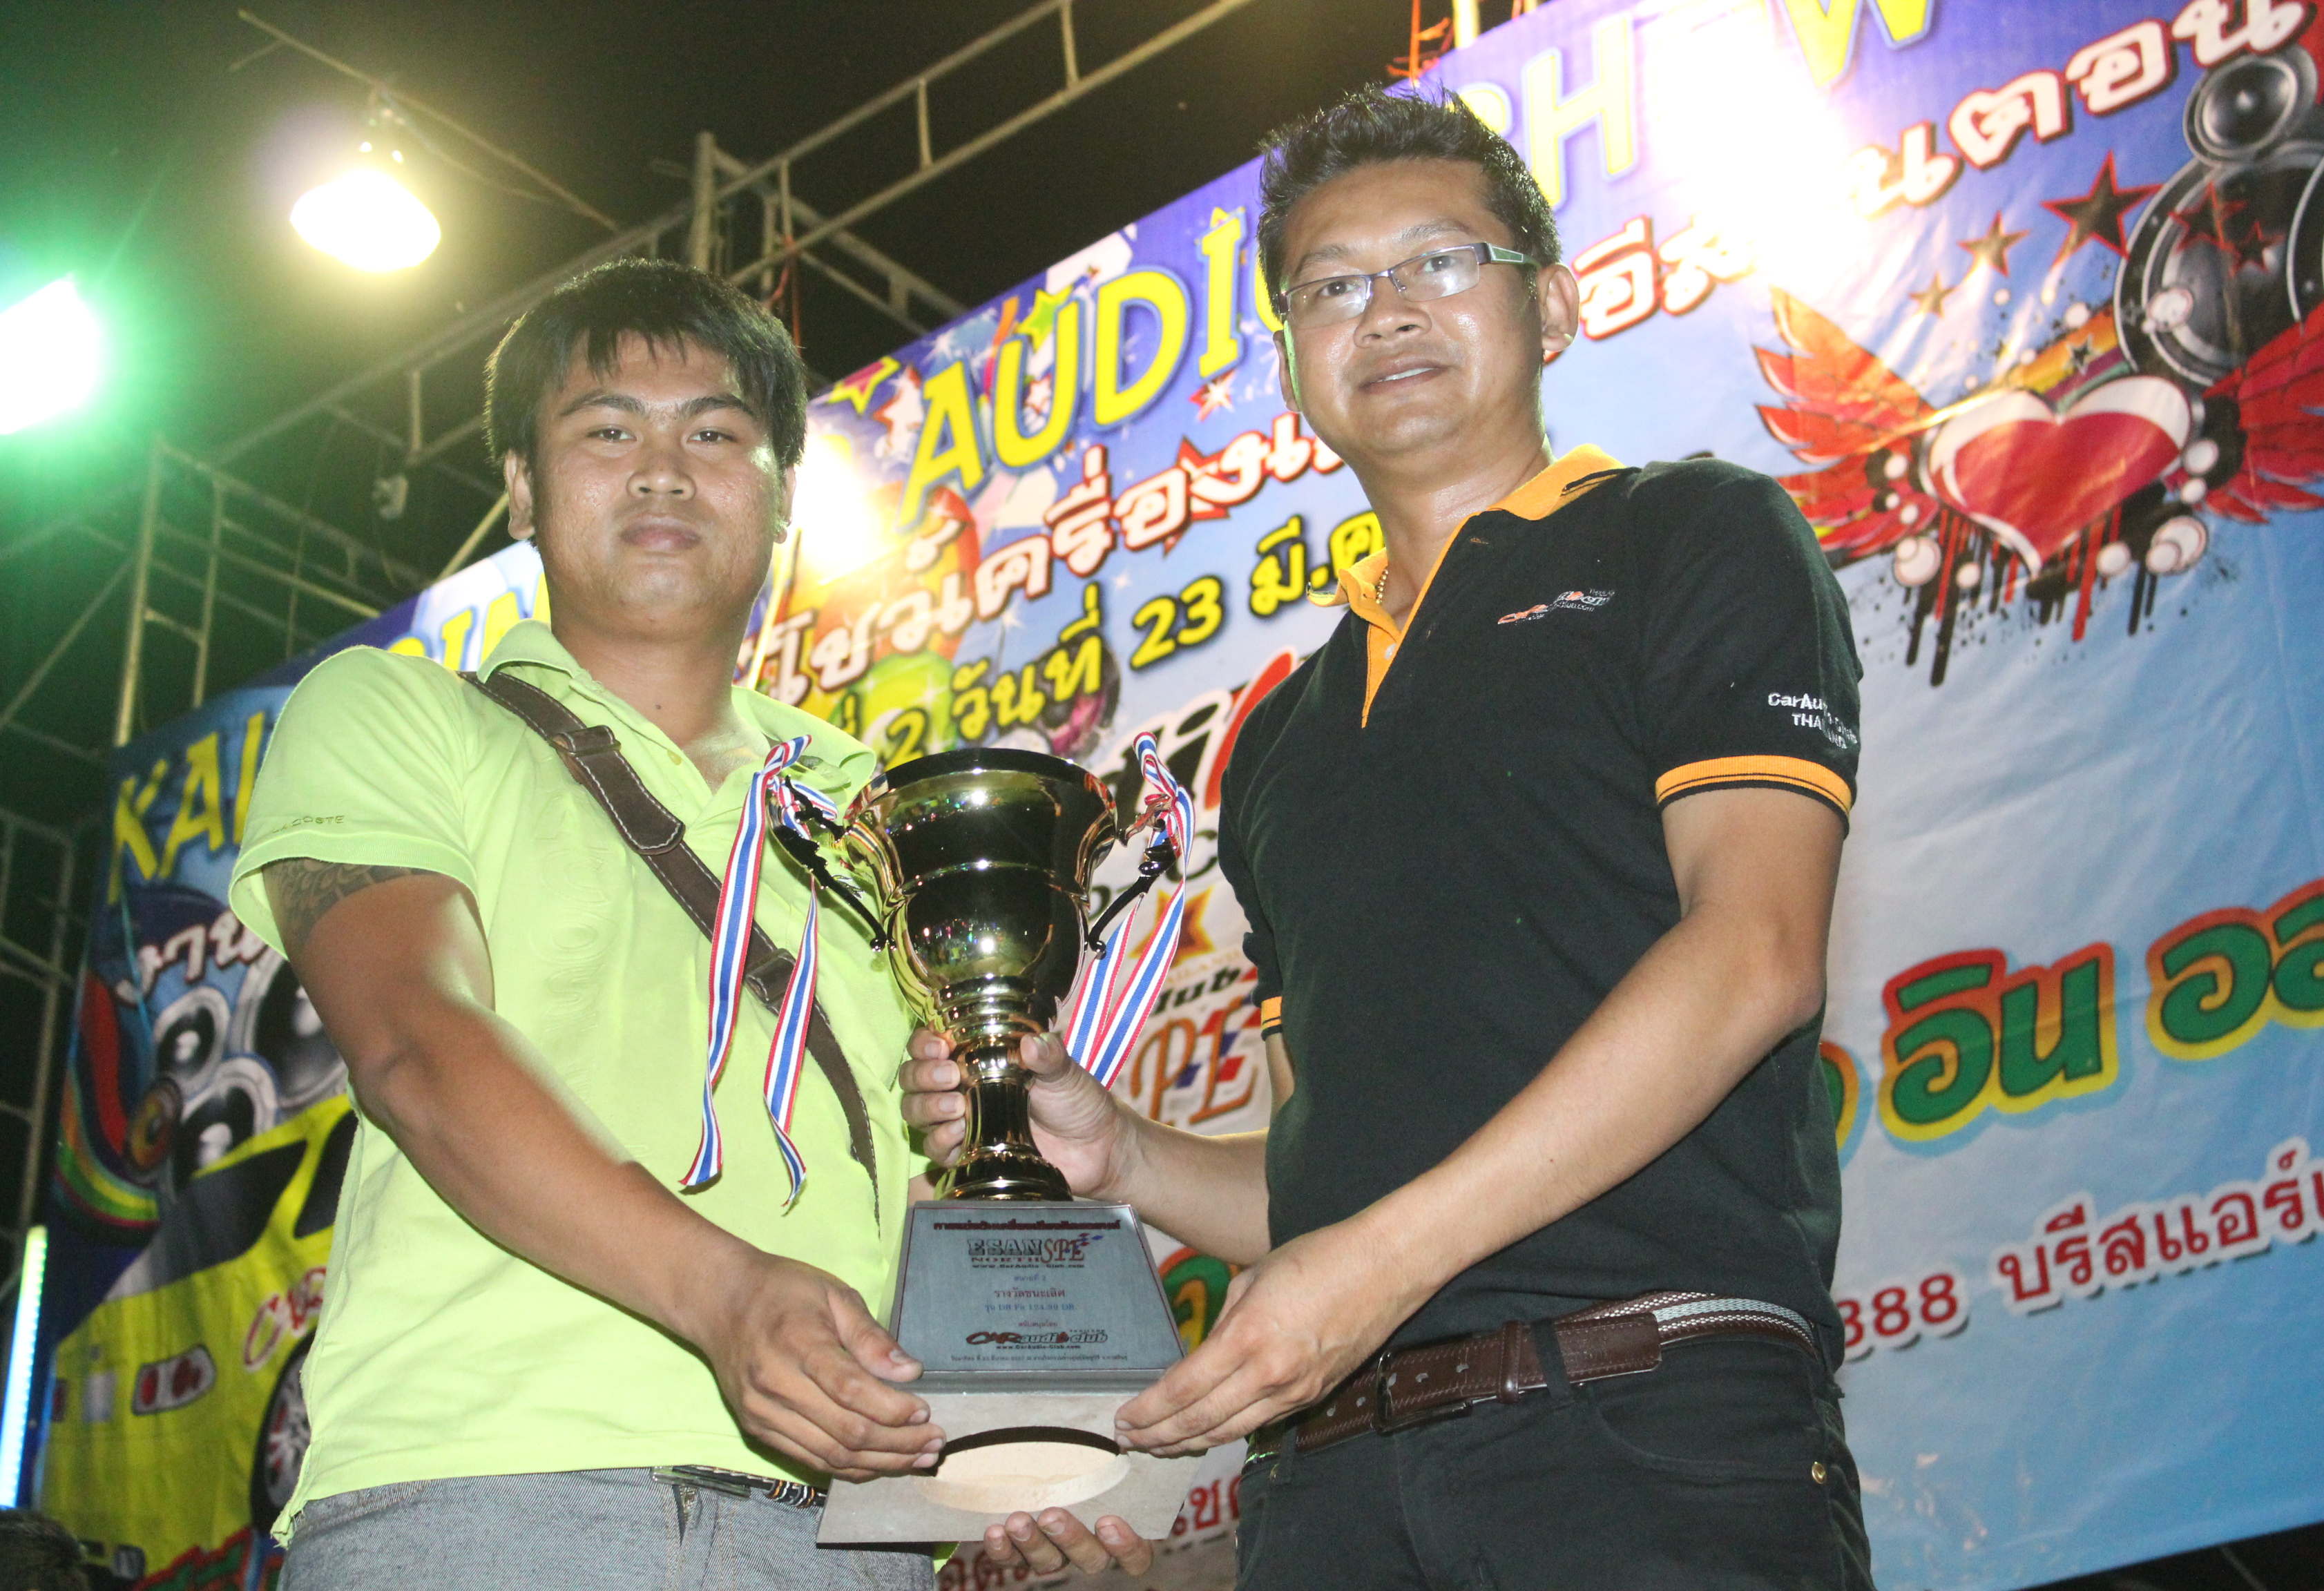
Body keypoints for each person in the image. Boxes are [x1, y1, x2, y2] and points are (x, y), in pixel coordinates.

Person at [904, 88, 1872, 1589]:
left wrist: (1377, 1263)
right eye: (1334, 286)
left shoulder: (1691, 535)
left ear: (1553, 306)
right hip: (1331, 1486)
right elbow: (1317, 1183)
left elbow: (1755, 952)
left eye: (1442, 261)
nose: (1390, 309)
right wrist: (1124, 1155)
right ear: (1296, 364)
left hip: (1642, 1420)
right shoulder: (1281, 739)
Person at [230, 259, 1149, 1588]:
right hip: (494, 1496)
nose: (663, 472)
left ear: (781, 496)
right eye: (608, 431)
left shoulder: (867, 807)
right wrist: (722, 1292)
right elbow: (414, 1046)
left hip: (851, 1537)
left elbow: (935, 1169)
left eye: (715, 434)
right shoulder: (398, 712)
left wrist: (1004, 1458)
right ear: (522, 488)